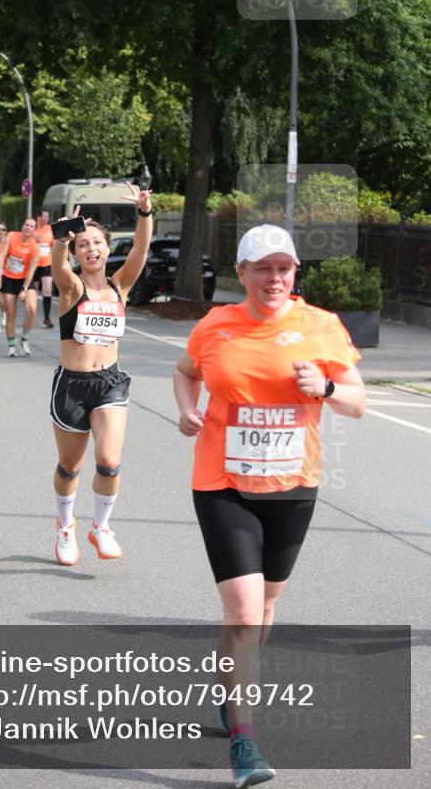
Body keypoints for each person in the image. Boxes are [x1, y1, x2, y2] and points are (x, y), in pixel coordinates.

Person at [172, 224, 366, 788]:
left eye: (284, 268)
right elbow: (184, 375)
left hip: (292, 487)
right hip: (222, 483)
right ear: (243, 273)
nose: (275, 277)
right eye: (263, 267)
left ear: (295, 273)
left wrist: (326, 390)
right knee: (244, 611)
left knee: (267, 608)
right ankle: (244, 741)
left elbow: (358, 402)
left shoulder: (321, 327)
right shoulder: (217, 325)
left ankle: (229, 691)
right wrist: (188, 410)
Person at [50, 183, 152, 566]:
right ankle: (65, 526)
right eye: (83, 244)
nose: (91, 248)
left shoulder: (119, 286)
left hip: (109, 383)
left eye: (97, 242)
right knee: (69, 467)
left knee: (109, 462)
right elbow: (58, 267)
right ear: (78, 253)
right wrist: (62, 238)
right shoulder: (72, 287)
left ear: (107, 248)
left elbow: (141, 251)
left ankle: (101, 526)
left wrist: (144, 211)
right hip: (71, 386)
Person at [0, 217, 40, 357]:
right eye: (26, 225)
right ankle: (11, 345)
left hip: (25, 280)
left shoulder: (34, 247)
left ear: (34, 230)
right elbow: (2, 256)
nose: (28, 227)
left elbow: (32, 270)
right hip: (9, 279)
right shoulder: (11, 236)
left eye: (31, 226)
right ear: (22, 226)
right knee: (10, 313)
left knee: (31, 309)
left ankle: (24, 339)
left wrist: (24, 289)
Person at [33, 207, 55, 328]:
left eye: (47, 217)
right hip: (34, 264)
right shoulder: (32, 229)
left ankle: (47, 318)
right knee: (33, 292)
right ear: (38, 217)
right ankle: (31, 314)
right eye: (45, 217)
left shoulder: (50, 230)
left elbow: (53, 245)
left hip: (47, 262)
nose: (47, 219)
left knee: (47, 289)